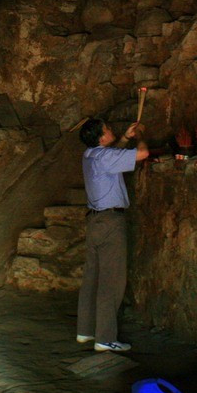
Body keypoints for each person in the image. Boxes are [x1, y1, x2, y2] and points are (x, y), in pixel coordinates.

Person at [76, 118, 148, 352]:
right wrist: (139, 137)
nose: (111, 130)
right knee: (111, 280)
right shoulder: (105, 157)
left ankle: (85, 331)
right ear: (101, 137)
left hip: (95, 221)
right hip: (110, 222)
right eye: (107, 129)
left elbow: (113, 154)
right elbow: (142, 155)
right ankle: (105, 339)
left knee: (92, 278)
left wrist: (125, 138)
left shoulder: (90, 155)